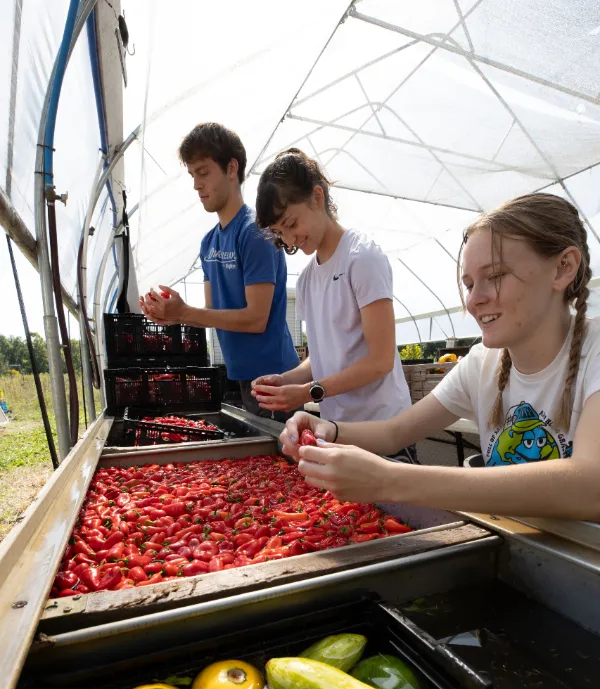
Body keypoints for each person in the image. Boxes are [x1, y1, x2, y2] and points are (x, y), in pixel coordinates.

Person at [280, 193, 600, 521]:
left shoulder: (595, 353)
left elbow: (591, 486)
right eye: (469, 284)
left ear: (563, 268)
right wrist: (327, 430)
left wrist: (389, 479)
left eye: (496, 276)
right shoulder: (482, 364)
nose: (474, 299)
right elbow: (395, 433)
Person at [250, 149, 415, 462]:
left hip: (384, 435)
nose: (289, 240)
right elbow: (323, 356)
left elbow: (380, 360)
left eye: (291, 223)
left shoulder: (361, 257)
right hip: (338, 435)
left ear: (316, 197)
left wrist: (308, 392)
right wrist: (285, 381)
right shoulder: (309, 278)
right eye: (280, 233)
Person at [139, 122, 299, 422]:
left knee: (282, 463)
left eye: (203, 173)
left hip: (277, 378)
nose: (197, 185)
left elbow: (255, 318)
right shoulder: (209, 242)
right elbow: (212, 313)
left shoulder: (255, 232)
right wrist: (172, 314)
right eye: (192, 176)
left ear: (231, 169)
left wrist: (186, 312)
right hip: (242, 377)